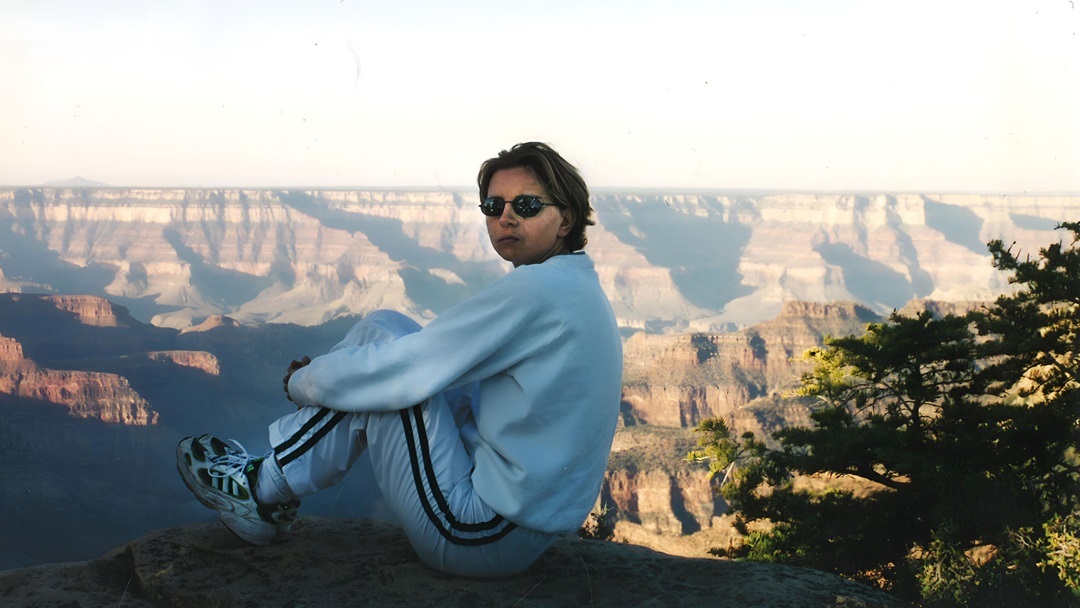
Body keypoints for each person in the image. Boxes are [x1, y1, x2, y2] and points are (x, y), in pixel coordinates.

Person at [176, 142, 623, 578]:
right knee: (383, 327)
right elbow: (432, 360)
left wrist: (304, 382)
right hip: (518, 527)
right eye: (493, 205)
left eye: (525, 205)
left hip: (479, 533)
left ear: (565, 218)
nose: (505, 217)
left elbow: (404, 372)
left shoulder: (539, 292)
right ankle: (269, 482)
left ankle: (258, 488)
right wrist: (331, 378)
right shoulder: (572, 285)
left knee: (391, 385)